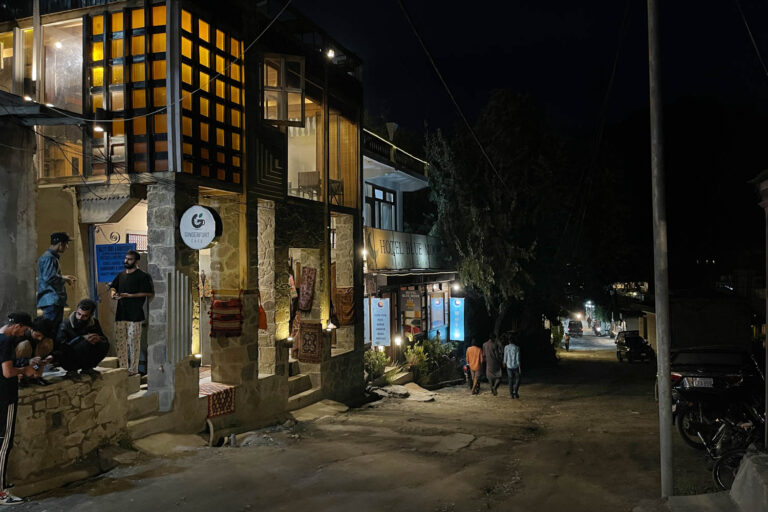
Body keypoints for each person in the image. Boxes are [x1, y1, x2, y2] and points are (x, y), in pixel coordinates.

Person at [0, 313, 43, 504]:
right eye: (24, 330)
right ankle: (1, 492)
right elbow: (8, 372)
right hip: (5, 398)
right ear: (17, 326)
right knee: (3, 445)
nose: (23, 334)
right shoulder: (7, 341)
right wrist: (25, 370)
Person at [109, 250, 154, 375]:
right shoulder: (121, 275)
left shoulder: (142, 276)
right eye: (126, 258)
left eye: (129, 259)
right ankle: (123, 368)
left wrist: (130, 295)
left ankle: (133, 369)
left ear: (136, 261)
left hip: (135, 315)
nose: (126, 261)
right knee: (120, 342)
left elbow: (148, 292)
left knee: (133, 343)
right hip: (121, 314)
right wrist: (113, 294)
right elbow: (113, 286)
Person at [54, 298, 110, 377]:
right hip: (70, 357)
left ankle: (88, 368)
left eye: (84, 316)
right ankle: (72, 370)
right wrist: (81, 339)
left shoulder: (94, 323)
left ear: (90, 315)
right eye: (79, 314)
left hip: (85, 356)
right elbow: (61, 347)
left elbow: (103, 339)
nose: (80, 318)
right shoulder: (66, 324)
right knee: (85, 343)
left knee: (104, 344)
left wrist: (99, 339)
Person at [37, 232, 77, 329]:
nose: (67, 247)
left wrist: (63, 277)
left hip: (51, 301)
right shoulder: (49, 258)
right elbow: (48, 277)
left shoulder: (50, 257)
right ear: (60, 244)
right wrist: (64, 278)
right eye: (66, 244)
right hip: (51, 300)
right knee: (52, 330)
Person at [14, 317, 56, 387]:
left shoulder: (44, 338)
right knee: (25, 345)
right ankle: (21, 378)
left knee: (48, 342)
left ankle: (36, 377)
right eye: (37, 335)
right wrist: (28, 361)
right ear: (31, 329)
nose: (40, 338)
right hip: (19, 368)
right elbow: (10, 360)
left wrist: (51, 356)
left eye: (42, 336)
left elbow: (59, 350)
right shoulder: (20, 336)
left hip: (34, 367)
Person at [504, 335, 522, 399]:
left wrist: (504, 363)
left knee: (510, 380)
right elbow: (517, 358)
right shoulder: (517, 348)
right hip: (515, 366)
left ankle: (511, 394)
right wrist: (519, 367)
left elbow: (505, 356)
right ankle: (515, 391)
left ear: (509, 341)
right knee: (518, 379)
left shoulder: (506, 347)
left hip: (508, 366)